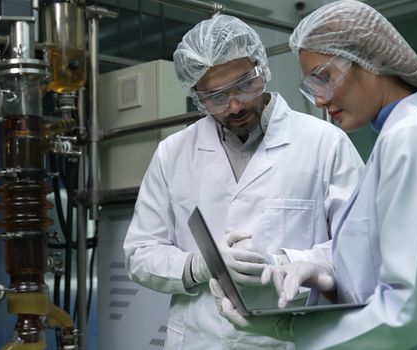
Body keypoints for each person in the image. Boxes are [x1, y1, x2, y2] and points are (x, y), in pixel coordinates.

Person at [210, 1, 417, 349]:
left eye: (323, 77)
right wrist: (324, 274)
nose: (319, 100)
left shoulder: (415, 137)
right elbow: (377, 266)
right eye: (311, 86)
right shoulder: (395, 141)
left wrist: (293, 330)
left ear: (372, 59)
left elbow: (410, 309)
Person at [123, 14, 364, 349]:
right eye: (216, 97)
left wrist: (283, 263)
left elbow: (360, 248)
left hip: (289, 338)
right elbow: (140, 253)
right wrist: (198, 266)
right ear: (196, 96)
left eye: (244, 85)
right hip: (199, 339)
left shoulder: (325, 144)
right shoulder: (172, 153)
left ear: (261, 69)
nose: (235, 105)